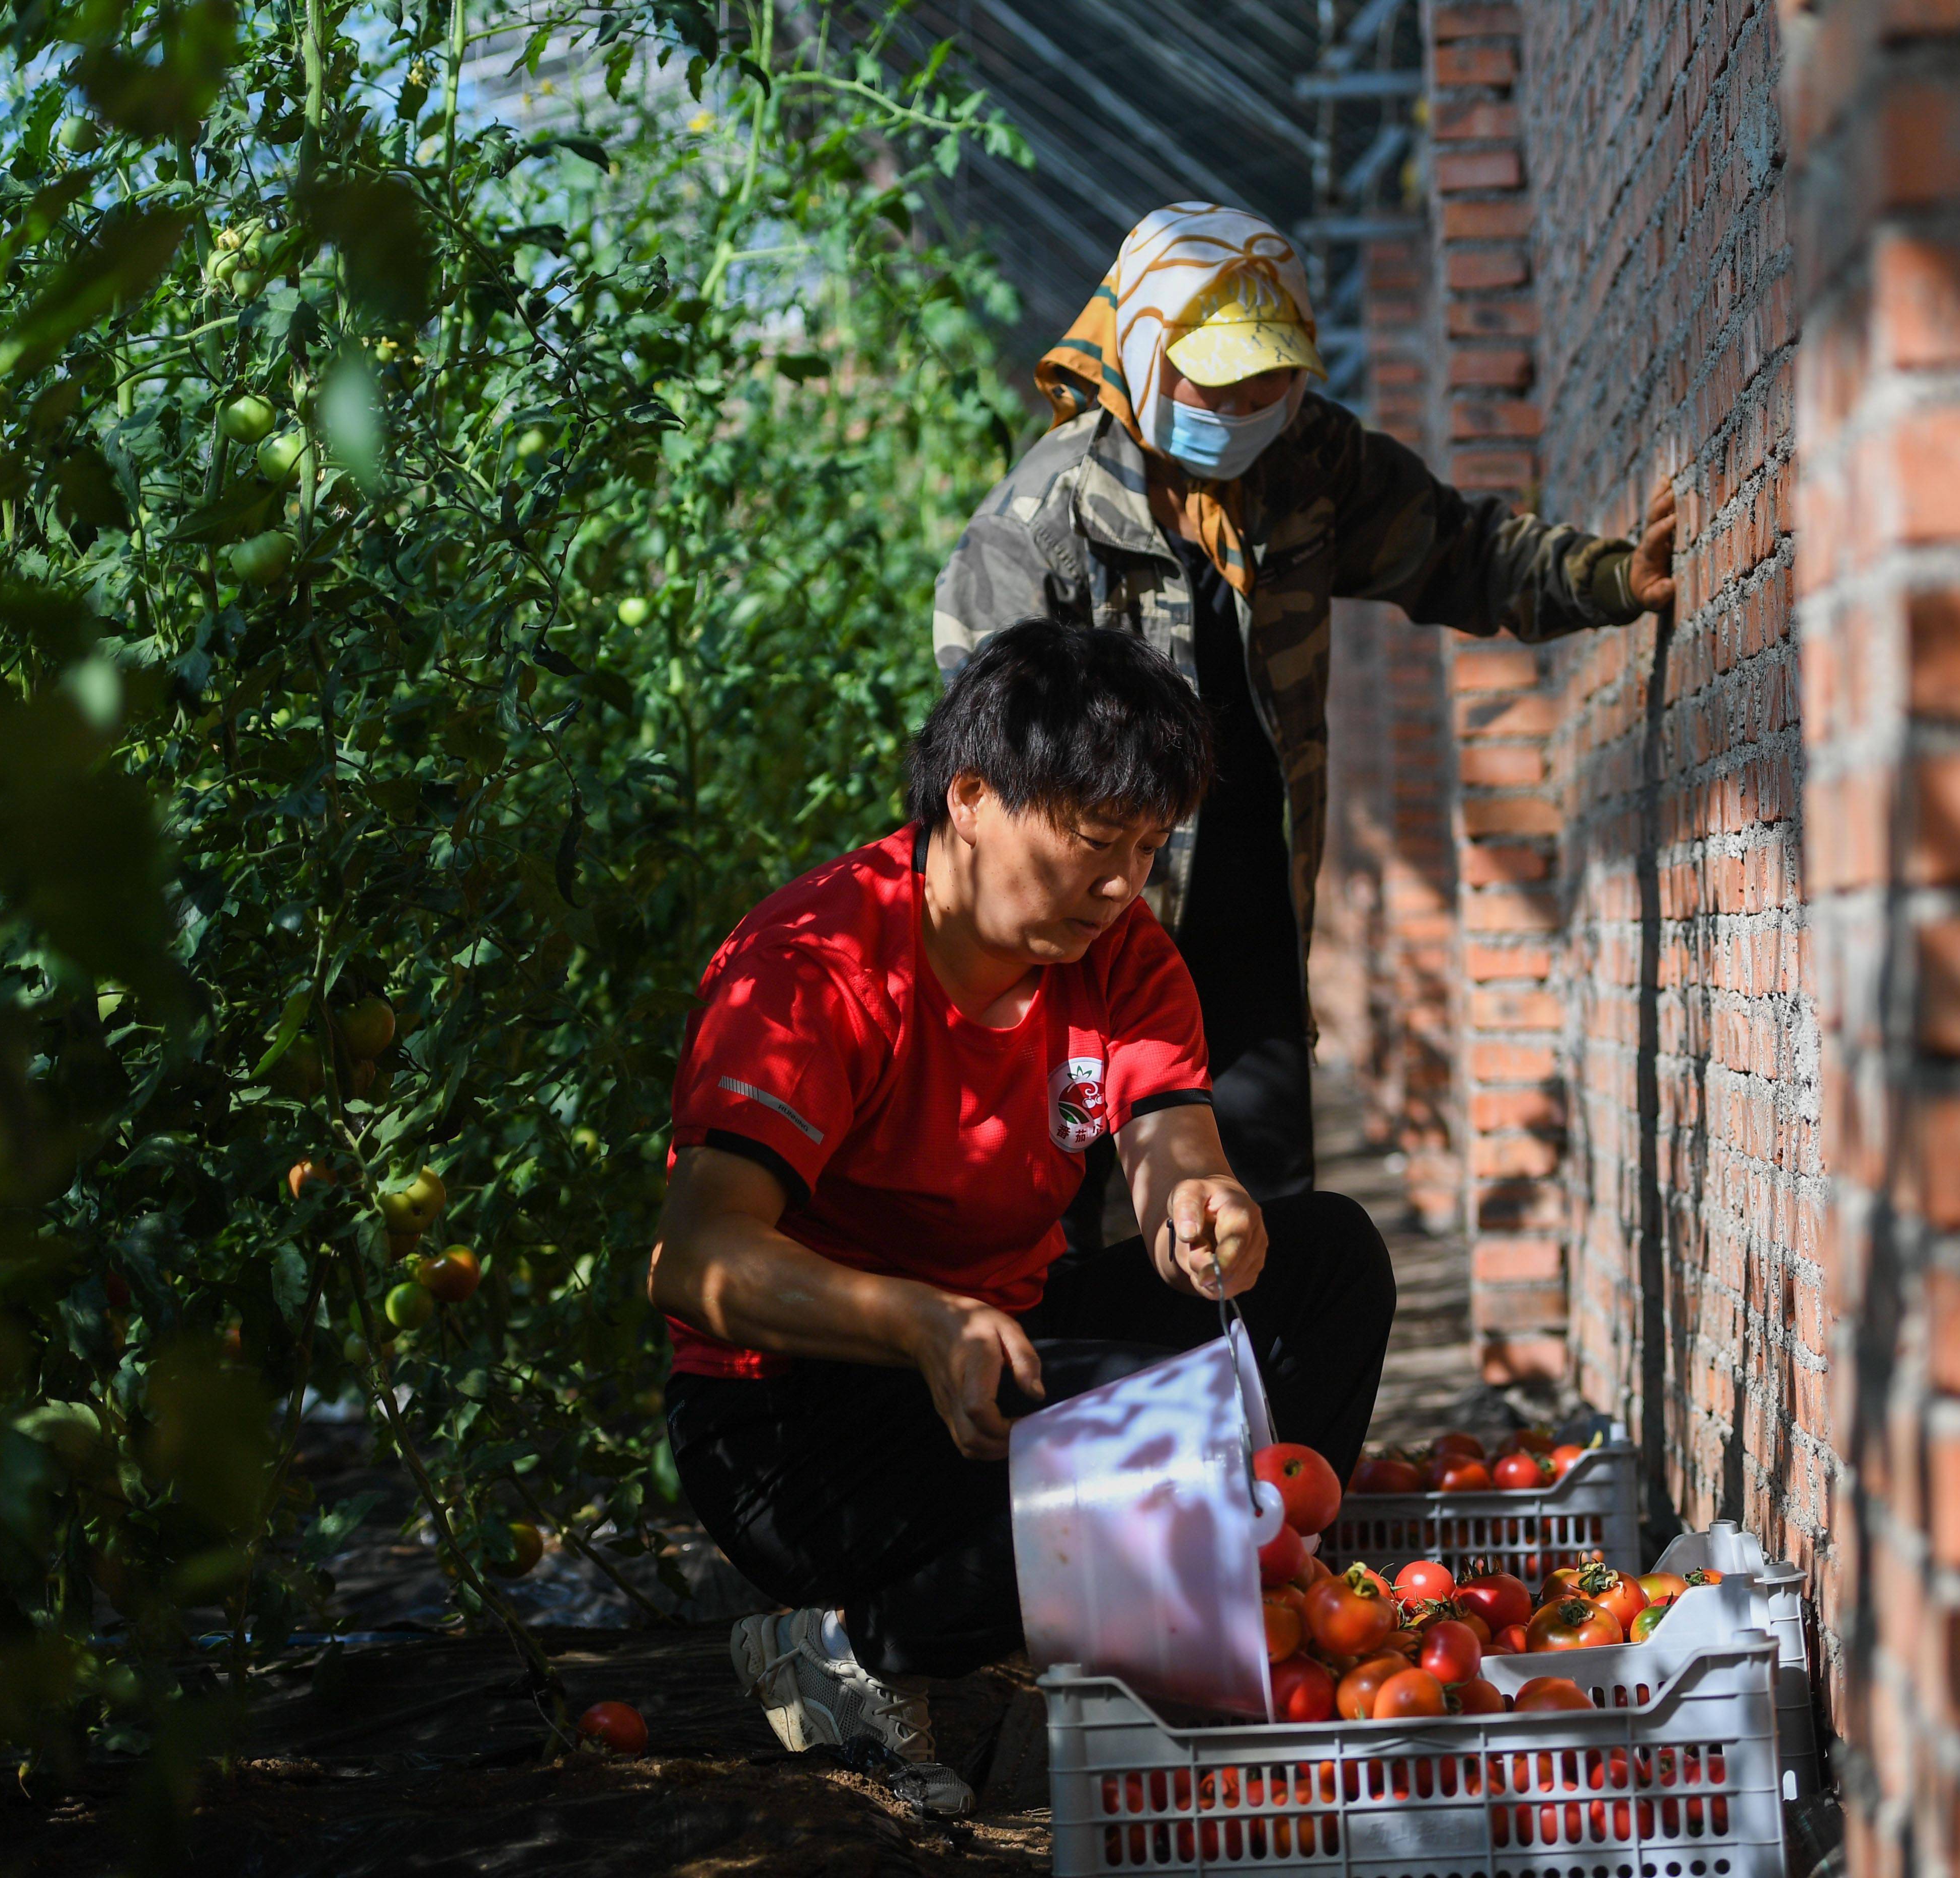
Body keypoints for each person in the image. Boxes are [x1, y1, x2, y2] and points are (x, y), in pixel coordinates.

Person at [648, 620, 1395, 1817]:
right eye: (1097, 843)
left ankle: (1256, 1611)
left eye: (1149, 849)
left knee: (1327, 1262)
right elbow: (696, 1259)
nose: (1122, 887)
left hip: (1004, 1345)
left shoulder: (1124, 957)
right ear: (974, 798)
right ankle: (857, 1645)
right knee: (1160, 1449)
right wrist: (918, 1323)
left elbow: (1172, 1155)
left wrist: (1209, 1213)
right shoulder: (813, 965)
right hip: (789, 1418)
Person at [933, 202, 1677, 1249]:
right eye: (1215, 378)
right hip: (1075, 938)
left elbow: (1457, 549)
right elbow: (982, 783)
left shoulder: (1303, 466)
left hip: (1244, 918)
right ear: (1143, 357)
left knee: (1257, 1217)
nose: (1244, 403)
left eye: (1268, 376)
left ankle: (1269, 1422)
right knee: (1076, 1228)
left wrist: (1607, 578)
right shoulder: (1033, 533)